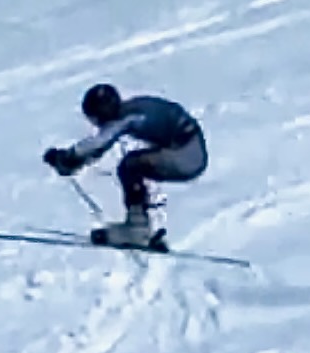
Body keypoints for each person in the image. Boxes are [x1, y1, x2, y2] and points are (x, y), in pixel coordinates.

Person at [42, 83, 208, 250]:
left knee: (131, 166)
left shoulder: (125, 118)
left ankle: (137, 230)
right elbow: (104, 142)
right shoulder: (132, 108)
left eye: (94, 119)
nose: (97, 125)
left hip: (186, 154)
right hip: (190, 147)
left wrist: (66, 159)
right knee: (138, 164)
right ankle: (142, 223)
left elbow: (98, 143)